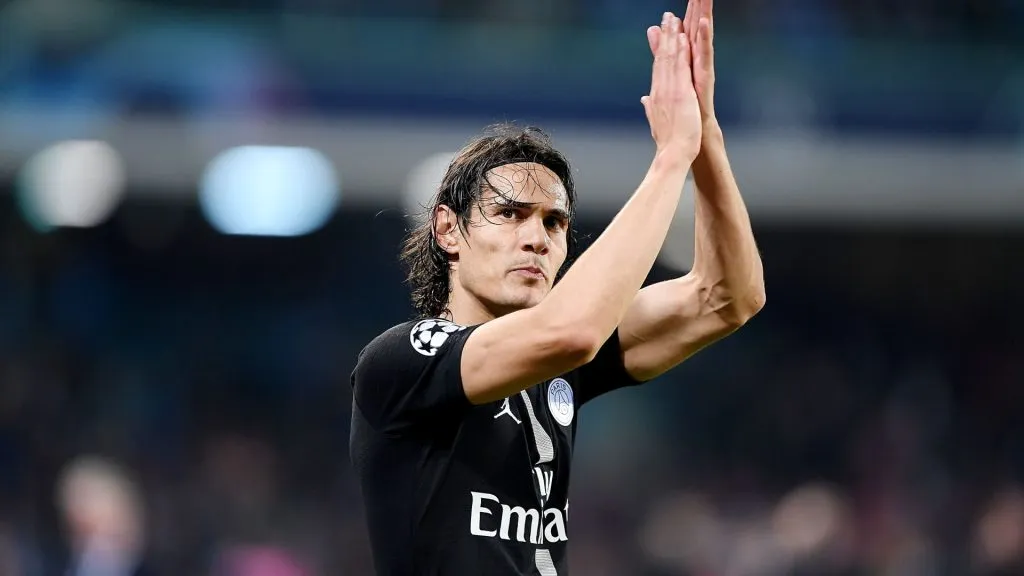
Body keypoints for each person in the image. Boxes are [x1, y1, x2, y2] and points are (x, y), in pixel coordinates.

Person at [349, 2, 765, 574]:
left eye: (554, 222)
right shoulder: (403, 361)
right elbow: (571, 331)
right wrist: (669, 159)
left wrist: (704, 140)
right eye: (509, 213)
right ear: (449, 230)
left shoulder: (560, 365)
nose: (537, 238)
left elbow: (729, 297)